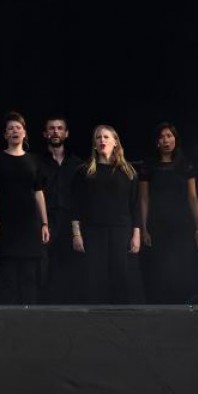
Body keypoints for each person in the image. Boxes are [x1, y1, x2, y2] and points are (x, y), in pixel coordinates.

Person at [70, 125, 143, 304]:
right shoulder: (84, 172)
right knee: (95, 278)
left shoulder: (128, 172)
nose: (102, 140)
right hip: (93, 231)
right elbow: (76, 205)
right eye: (98, 138)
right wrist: (76, 233)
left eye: (106, 137)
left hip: (121, 230)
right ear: (94, 144)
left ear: (115, 142)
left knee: (121, 277)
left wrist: (137, 233)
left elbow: (135, 205)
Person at [0, 112, 50, 304]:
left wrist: (44, 223)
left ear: (25, 133)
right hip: (5, 223)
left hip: (29, 224)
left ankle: (30, 320)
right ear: (5, 135)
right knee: (8, 276)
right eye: (10, 128)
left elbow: (39, 193)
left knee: (30, 275)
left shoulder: (34, 160)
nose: (15, 131)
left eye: (18, 128)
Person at [137, 123, 198, 304]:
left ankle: (183, 305)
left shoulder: (185, 164)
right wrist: (143, 228)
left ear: (175, 139)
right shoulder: (148, 165)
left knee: (181, 264)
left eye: (169, 136)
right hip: (157, 222)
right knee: (158, 266)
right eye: (162, 136)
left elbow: (193, 197)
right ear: (157, 142)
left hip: (181, 222)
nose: (166, 140)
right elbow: (144, 198)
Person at [38, 117, 84, 303]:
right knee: (44, 267)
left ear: (66, 133)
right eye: (51, 128)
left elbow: (82, 198)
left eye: (59, 128)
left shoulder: (78, 163)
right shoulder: (37, 162)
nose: (55, 132)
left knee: (71, 266)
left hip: (71, 222)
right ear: (45, 133)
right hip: (45, 221)